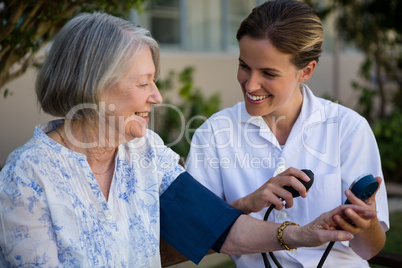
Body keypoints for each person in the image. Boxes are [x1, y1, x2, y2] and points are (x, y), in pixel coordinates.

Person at [0, 12, 375, 268]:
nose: (157, 96)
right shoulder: (29, 174)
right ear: (95, 87)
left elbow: (216, 226)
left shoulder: (145, 151)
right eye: (143, 83)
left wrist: (304, 233)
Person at [186, 0, 389, 267]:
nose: (251, 83)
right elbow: (193, 229)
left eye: (268, 73)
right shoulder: (214, 133)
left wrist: (367, 221)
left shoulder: (348, 129)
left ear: (306, 71)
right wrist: (249, 202)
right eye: (244, 66)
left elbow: (368, 251)